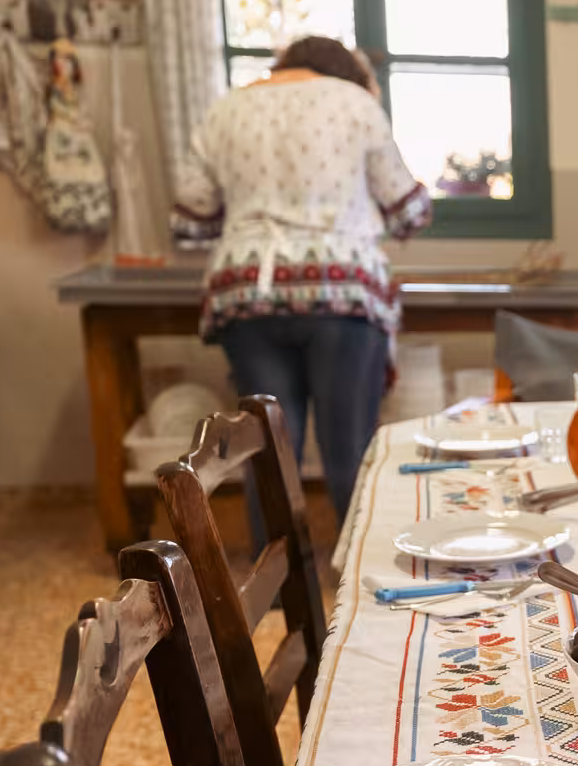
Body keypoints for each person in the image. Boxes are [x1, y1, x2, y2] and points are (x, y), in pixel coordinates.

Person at [172, 36, 431, 522]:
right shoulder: (355, 103)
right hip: (342, 290)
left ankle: (273, 571)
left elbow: (191, 219)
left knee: (268, 452)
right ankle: (360, 562)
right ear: (344, 72)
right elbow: (409, 212)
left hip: (248, 292)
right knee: (349, 447)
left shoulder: (226, 109)